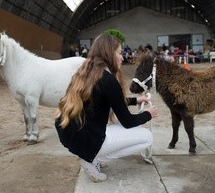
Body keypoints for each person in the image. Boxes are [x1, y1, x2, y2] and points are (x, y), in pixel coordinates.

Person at [55, 34, 158, 182]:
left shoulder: (86, 72)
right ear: (109, 54)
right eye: (119, 53)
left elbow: (106, 100)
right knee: (147, 137)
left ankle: (91, 155)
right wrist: (148, 114)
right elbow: (128, 121)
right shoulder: (108, 79)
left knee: (113, 122)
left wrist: (136, 100)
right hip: (87, 139)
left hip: (71, 135)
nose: (122, 57)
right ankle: (92, 158)